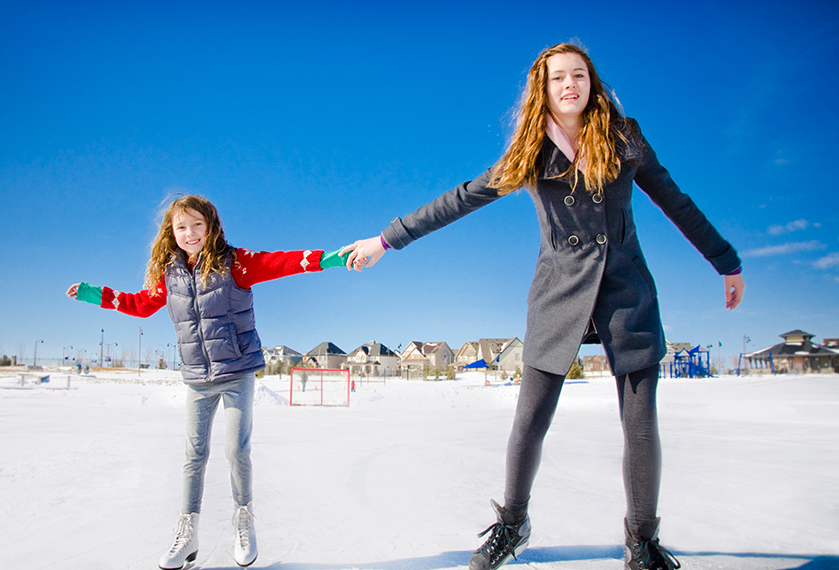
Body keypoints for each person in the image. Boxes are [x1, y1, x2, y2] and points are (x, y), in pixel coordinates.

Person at [341, 43, 744, 570]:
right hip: (558, 294)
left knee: (640, 422)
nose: (570, 84)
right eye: (558, 78)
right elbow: (459, 198)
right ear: (544, 90)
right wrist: (386, 239)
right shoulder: (528, 153)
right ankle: (512, 523)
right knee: (529, 420)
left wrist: (725, 260)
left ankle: (641, 540)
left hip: (627, 294)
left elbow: (674, 199)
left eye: (579, 75)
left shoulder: (625, 137)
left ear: (592, 83)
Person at [67, 195, 346, 569]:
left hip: (236, 374)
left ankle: (244, 520)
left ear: (211, 226)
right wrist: (94, 294)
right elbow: (140, 304)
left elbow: (283, 262)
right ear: (172, 232)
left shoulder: (235, 263)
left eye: (197, 224)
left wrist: (333, 257)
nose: (190, 233)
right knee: (193, 456)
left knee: (236, 450)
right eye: (181, 227)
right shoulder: (171, 275)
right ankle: (188, 533)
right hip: (198, 378)